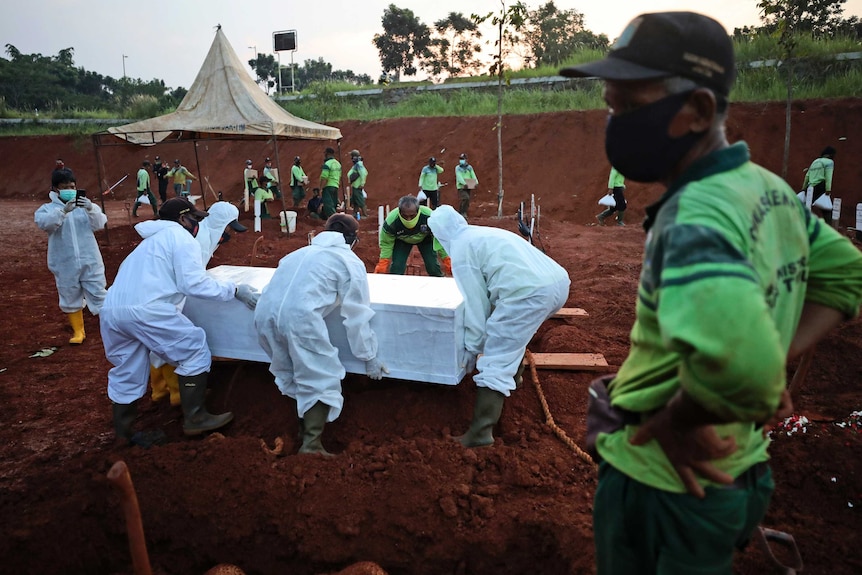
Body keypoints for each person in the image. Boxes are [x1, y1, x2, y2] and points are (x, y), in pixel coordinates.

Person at [559, 11, 862, 574]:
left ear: (697, 109)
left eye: (628, 105)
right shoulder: (766, 188)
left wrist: (681, 421)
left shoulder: (693, 216)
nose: (614, 122)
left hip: (666, 481)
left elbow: (741, 364)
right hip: (739, 465)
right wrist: (774, 362)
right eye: (611, 105)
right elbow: (848, 275)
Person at [101, 197, 260, 447]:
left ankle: (124, 437)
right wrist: (236, 290)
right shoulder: (182, 238)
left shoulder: (148, 243)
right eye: (195, 218)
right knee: (194, 349)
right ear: (183, 219)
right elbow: (193, 283)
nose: (197, 224)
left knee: (126, 371)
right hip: (147, 309)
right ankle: (195, 418)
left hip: (113, 310)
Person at [428, 205, 570, 447]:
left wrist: (472, 350)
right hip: (557, 284)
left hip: (528, 294)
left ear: (439, 234)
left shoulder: (463, 250)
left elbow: (476, 305)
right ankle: (515, 377)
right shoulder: (481, 233)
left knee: (496, 357)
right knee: (512, 334)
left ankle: (480, 434)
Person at [254, 214, 387, 455]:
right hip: (300, 320)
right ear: (351, 239)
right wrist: (368, 355)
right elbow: (356, 313)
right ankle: (311, 445)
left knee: (293, 373)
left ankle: (301, 432)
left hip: (265, 315)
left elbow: (278, 291)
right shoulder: (347, 261)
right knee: (320, 377)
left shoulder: (295, 255)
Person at [148, 201, 247, 407]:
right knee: (174, 341)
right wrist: (231, 290)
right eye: (229, 227)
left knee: (158, 342)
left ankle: (159, 389)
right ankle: (176, 392)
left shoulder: (205, 235)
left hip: (160, 293)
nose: (229, 233)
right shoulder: (197, 240)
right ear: (221, 224)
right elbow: (193, 281)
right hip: (163, 296)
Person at [34, 169, 108, 345]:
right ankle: (78, 331)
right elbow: (46, 224)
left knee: (99, 292)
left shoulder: (84, 208)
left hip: (89, 258)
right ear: (55, 189)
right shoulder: (46, 209)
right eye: (65, 187)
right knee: (69, 293)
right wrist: (63, 212)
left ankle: (109, 326)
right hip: (64, 261)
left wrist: (90, 208)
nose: (70, 189)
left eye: (72, 186)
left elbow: (99, 223)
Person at [374, 195, 450, 277]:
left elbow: (440, 239)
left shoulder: (430, 217)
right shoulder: (391, 222)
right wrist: (383, 263)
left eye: (412, 216)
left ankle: (438, 283)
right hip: (402, 240)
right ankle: (395, 286)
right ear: (399, 212)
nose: (408, 220)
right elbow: (386, 244)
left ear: (418, 211)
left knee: (432, 265)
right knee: (397, 267)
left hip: (425, 238)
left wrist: (447, 259)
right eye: (405, 216)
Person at [802, 146, 836, 218]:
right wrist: (828, 189)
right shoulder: (829, 162)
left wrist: (803, 188)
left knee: (806, 206)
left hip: (810, 187)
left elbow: (807, 176)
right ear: (830, 155)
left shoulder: (815, 161)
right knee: (827, 209)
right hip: (820, 186)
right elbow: (828, 177)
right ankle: (828, 226)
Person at [319, 147, 342, 219]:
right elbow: (339, 175)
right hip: (335, 185)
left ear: (327, 153)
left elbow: (324, 177)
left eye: (325, 153)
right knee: (334, 203)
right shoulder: (338, 164)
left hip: (328, 186)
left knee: (328, 205)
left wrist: (321, 188)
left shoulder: (327, 164)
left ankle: (335, 219)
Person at [454, 153, 478, 217]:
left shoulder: (469, 167)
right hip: (461, 186)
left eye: (463, 159)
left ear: (466, 159)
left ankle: (462, 212)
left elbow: (473, 175)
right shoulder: (458, 168)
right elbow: (459, 177)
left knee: (467, 200)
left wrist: (476, 182)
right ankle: (462, 212)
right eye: (460, 159)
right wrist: (465, 183)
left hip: (469, 185)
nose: (461, 160)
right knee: (465, 198)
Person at [347, 149, 368, 218]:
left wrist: (362, 184)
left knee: (360, 200)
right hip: (354, 186)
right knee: (355, 200)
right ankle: (355, 213)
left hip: (357, 186)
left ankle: (365, 214)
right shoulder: (357, 164)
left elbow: (363, 173)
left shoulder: (359, 164)